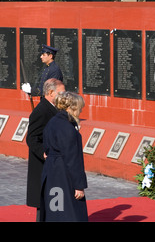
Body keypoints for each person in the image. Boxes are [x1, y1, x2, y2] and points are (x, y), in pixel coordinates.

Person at [40, 91, 88, 222]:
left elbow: (46, 146)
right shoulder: (67, 128)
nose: (81, 111)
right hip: (64, 175)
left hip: (51, 171)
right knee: (68, 212)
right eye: (79, 108)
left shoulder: (53, 122)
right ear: (71, 108)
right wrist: (79, 185)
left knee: (55, 210)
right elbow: (73, 160)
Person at [26, 78, 65, 221]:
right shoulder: (41, 111)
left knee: (54, 203)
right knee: (44, 206)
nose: (64, 96)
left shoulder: (56, 108)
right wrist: (45, 153)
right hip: (44, 165)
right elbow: (32, 138)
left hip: (55, 164)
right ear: (50, 92)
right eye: (61, 93)